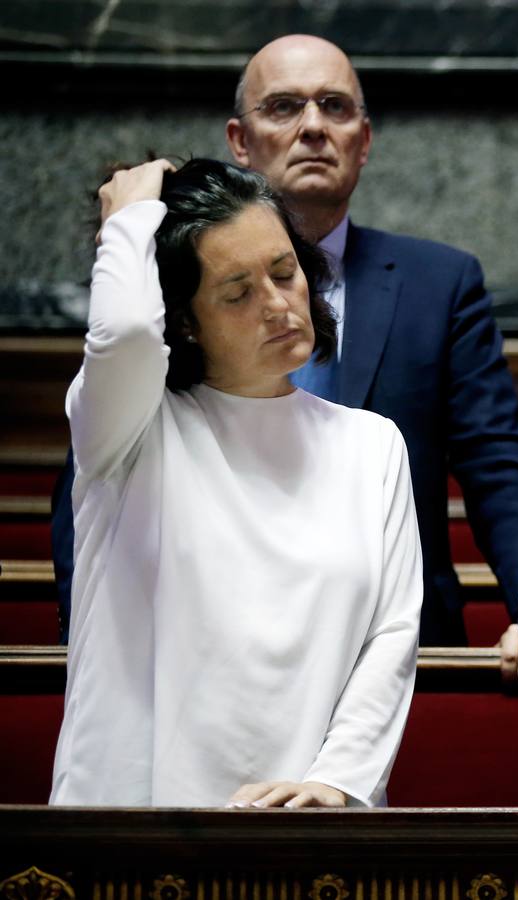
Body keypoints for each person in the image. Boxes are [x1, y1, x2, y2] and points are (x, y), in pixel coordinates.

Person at [53, 35, 518, 656]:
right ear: (240, 141)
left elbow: (498, 465)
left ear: (363, 142)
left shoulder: (439, 283)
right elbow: (97, 469)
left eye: (335, 107)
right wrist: (87, 642)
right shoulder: (162, 278)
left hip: (399, 644)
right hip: (211, 640)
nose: (313, 126)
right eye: (284, 107)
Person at [51, 158, 421, 807]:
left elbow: (388, 637)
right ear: (186, 320)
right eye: (237, 292)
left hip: (311, 823)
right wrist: (130, 219)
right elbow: (126, 334)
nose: (279, 306)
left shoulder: (371, 445)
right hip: (133, 825)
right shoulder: (131, 429)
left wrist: (336, 783)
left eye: (285, 272)